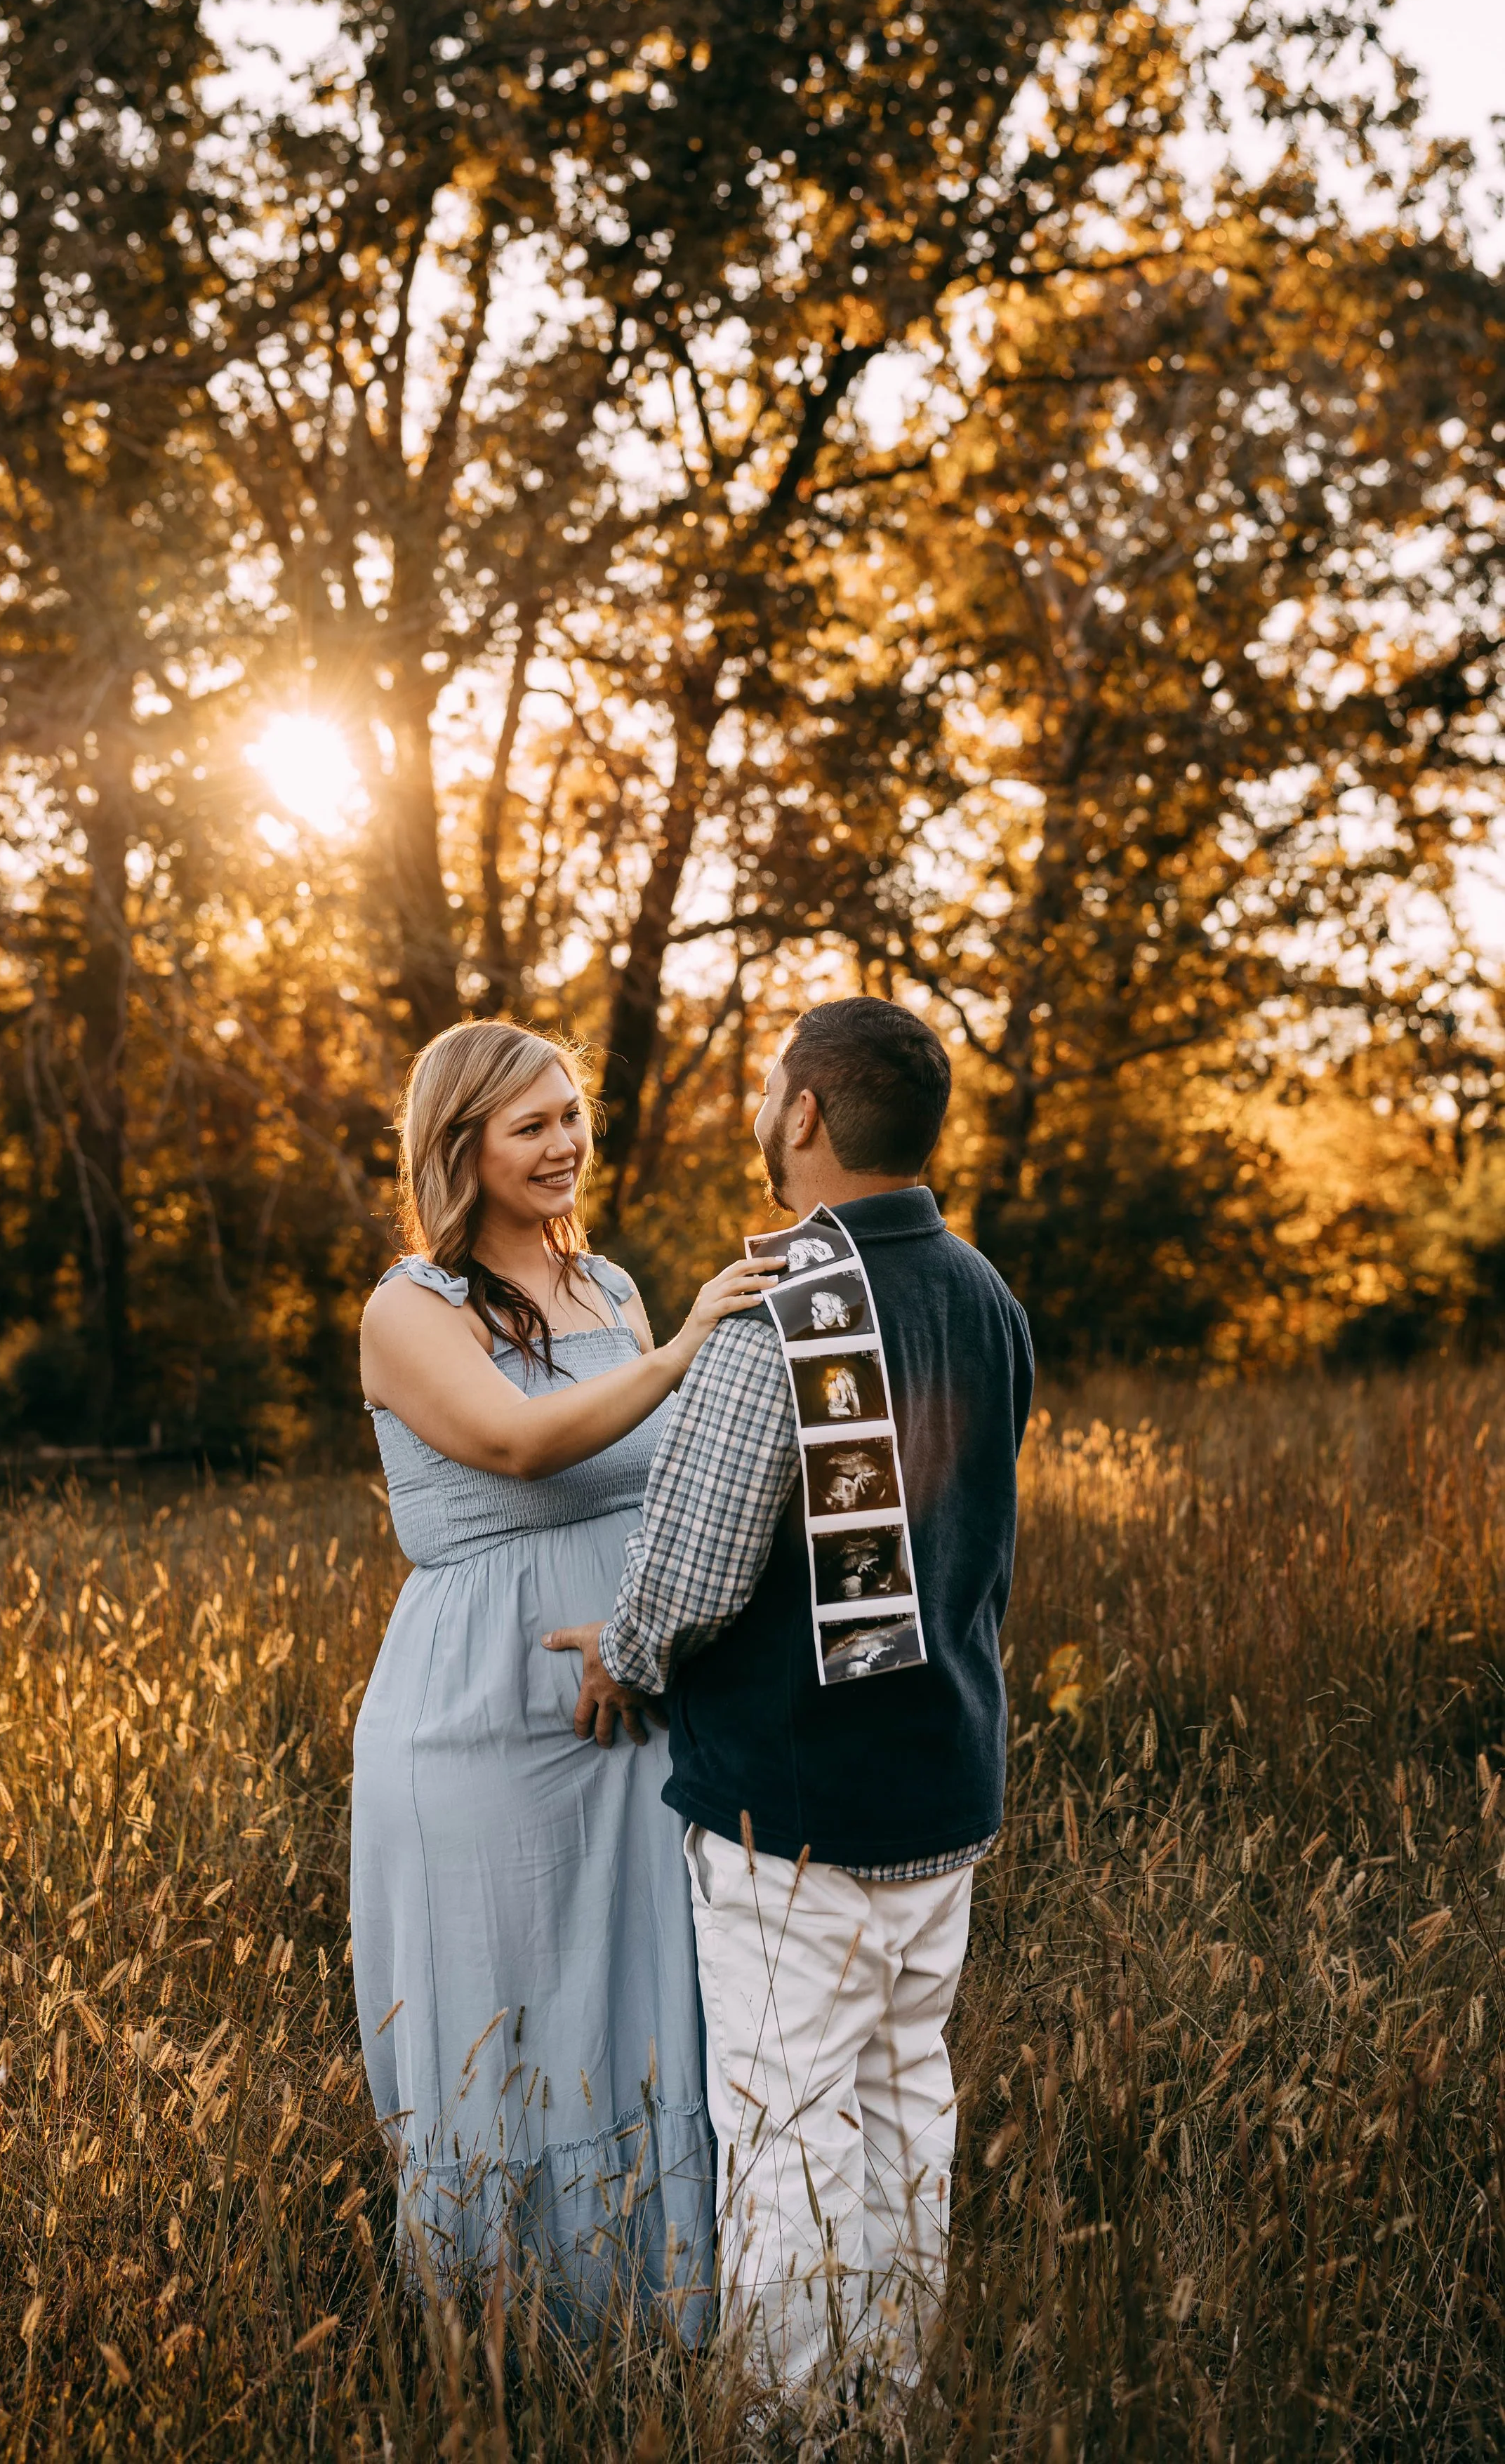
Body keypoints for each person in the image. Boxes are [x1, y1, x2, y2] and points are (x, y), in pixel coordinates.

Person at [547, 997, 1033, 2387]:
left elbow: (693, 1569)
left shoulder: (784, 1305)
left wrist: (623, 1652)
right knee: (905, 2102)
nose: (762, 1110)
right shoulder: (984, 1292)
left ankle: (795, 2426)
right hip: (945, 1781)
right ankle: (885, 2399)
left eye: (770, 1088)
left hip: (796, 1810)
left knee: (785, 2130)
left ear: (805, 1112)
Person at [350, 1018, 781, 2333]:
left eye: (572, 1115)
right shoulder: (408, 1305)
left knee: (640, 1987)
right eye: (529, 1124)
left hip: (635, 1692)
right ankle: (505, 2330)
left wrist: (650, 1632)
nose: (564, 1144)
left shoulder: (612, 1287)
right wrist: (684, 1347)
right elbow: (519, 1443)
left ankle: (653, 2314)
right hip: (480, 1703)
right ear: (460, 1143)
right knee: (508, 1998)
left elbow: (670, 1479)